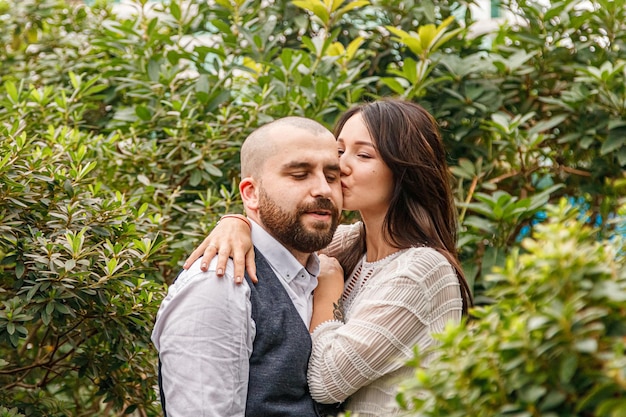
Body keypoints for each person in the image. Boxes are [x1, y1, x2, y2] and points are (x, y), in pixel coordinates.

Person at [184, 98, 474, 416]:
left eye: (363, 155)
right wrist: (236, 223)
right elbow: (281, 234)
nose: (341, 166)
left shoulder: (423, 269)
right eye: (340, 151)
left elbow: (326, 381)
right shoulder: (349, 242)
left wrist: (328, 295)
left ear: (403, 170)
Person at [151, 116, 344, 416]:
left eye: (332, 177)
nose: (324, 190)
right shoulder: (217, 284)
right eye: (299, 174)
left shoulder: (320, 271)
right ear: (251, 194)